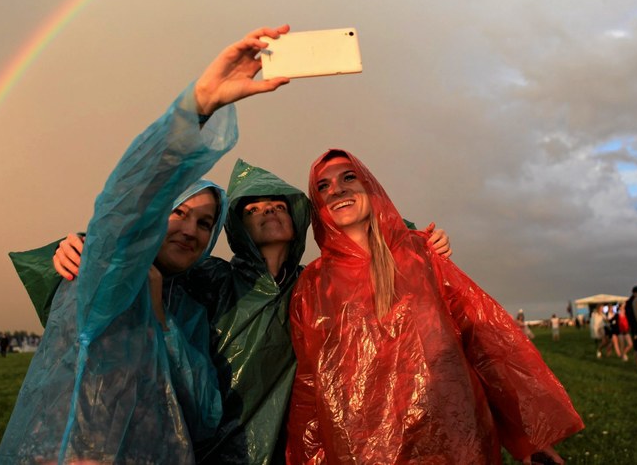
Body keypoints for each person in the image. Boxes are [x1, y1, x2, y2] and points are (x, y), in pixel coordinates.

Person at [0, 26, 291, 464]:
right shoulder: (102, 275)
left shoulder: (188, 311)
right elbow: (126, 206)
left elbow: (206, 414)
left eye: (205, 222)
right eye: (178, 212)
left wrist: (161, 321)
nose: (191, 230)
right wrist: (196, 108)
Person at [39, 162, 451, 465]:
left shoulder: (314, 287)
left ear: (298, 216)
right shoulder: (213, 278)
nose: (267, 212)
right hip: (200, 445)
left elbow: (367, 248)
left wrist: (417, 240)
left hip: (278, 450)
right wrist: (79, 245)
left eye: (278, 206)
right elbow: (152, 257)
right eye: (253, 210)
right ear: (237, 228)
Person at [287, 149, 583, 464]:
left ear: (371, 187)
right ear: (318, 205)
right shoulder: (313, 284)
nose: (337, 190)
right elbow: (310, 381)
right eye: (323, 186)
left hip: (454, 439)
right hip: (364, 451)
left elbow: (483, 346)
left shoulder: (421, 255)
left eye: (349, 177)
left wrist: (529, 441)